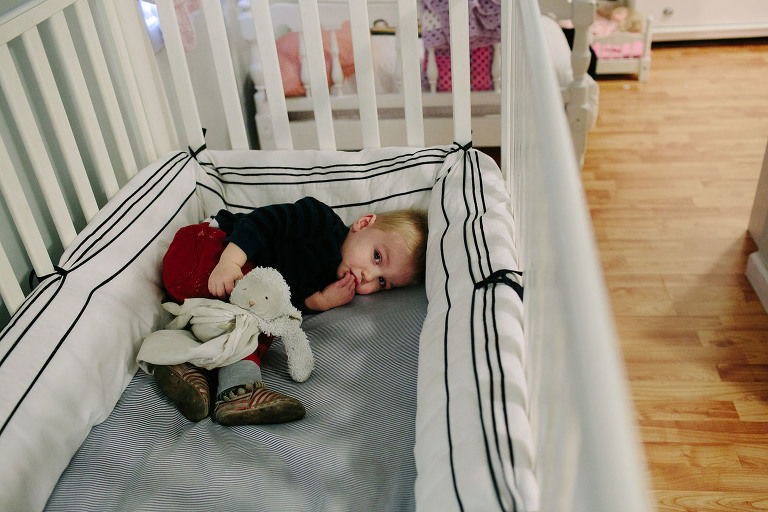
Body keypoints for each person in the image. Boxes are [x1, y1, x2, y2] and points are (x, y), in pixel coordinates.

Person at [153, 196, 428, 426]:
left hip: (209, 301)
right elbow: (263, 222)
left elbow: (284, 299)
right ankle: (240, 389)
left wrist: (318, 302)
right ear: (363, 223)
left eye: (382, 282)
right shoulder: (320, 220)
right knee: (259, 312)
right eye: (377, 257)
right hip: (207, 248)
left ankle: (187, 369)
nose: (369, 276)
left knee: (264, 322)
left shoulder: (330, 284)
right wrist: (230, 262)